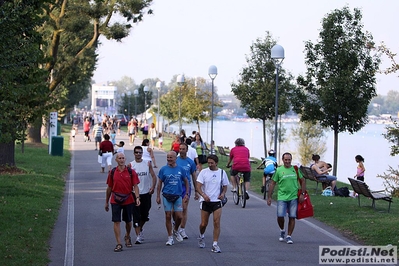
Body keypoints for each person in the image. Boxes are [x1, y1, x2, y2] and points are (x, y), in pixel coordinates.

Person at [267, 152, 306, 244]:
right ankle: (282, 230)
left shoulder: (295, 169)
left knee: (292, 217)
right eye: (286, 160)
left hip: (293, 197)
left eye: (289, 160)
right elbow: (273, 183)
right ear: (283, 160)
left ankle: (289, 236)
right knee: (280, 216)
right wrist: (269, 196)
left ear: (291, 160)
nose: (287, 161)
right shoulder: (279, 170)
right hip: (282, 197)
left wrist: (302, 193)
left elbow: (303, 181)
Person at [105, 153, 140, 252]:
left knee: (128, 221)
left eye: (123, 158)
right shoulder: (112, 172)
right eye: (119, 158)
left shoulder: (130, 172)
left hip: (128, 199)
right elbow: (109, 188)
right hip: (115, 199)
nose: (121, 160)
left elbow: (135, 186)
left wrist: (137, 197)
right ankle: (119, 243)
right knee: (116, 221)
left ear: (125, 159)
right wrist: (106, 202)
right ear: (116, 160)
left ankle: (127, 236)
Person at [196, 154, 229, 253]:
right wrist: (203, 195)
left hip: (217, 201)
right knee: (203, 224)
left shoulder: (222, 172)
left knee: (216, 222)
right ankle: (201, 236)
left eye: (212, 163)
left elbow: (225, 186)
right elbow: (198, 186)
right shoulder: (204, 172)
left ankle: (215, 244)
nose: (210, 165)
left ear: (216, 163)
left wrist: (223, 193)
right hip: (206, 201)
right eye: (209, 162)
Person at [156, 151, 190, 246]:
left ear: (176, 158)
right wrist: (158, 196)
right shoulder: (163, 169)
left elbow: (186, 181)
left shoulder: (181, 169)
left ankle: (175, 230)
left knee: (179, 216)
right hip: (167, 195)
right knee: (168, 215)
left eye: (171, 157)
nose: (169, 159)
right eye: (168, 157)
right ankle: (170, 237)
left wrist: (186, 193)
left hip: (177, 196)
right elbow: (159, 184)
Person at [128, 146, 157, 244]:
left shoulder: (147, 164)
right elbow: (127, 180)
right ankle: (138, 236)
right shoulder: (131, 165)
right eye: (136, 152)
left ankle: (140, 228)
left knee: (145, 215)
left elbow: (153, 176)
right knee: (136, 215)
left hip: (146, 193)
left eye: (140, 152)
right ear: (134, 153)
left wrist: (153, 187)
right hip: (135, 194)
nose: (138, 154)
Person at [175, 143, 198, 239]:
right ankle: (175, 226)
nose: (181, 150)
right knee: (176, 210)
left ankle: (182, 229)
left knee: (184, 208)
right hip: (176, 187)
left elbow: (194, 176)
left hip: (186, 188)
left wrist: (197, 190)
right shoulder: (175, 160)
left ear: (187, 150)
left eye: (183, 149)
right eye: (180, 149)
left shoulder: (190, 162)